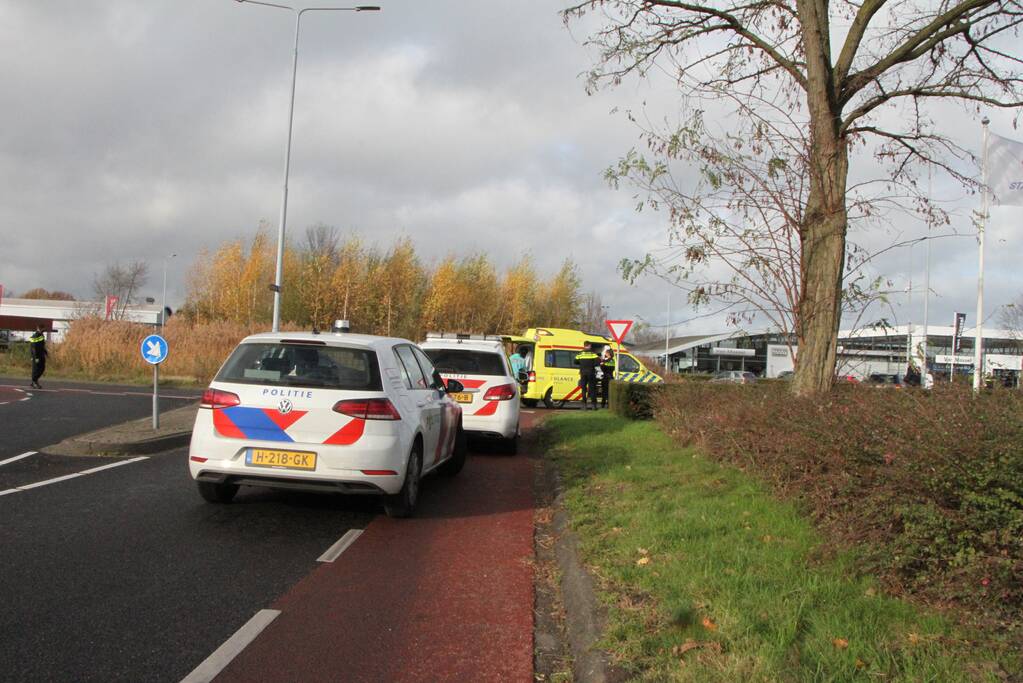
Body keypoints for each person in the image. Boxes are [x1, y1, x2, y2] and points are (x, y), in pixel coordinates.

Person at [574, 341, 600, 410]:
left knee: (583, 389)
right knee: (592, 389)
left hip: (583, 373)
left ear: (584, 345)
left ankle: (584, 405)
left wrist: (581, 363)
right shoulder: (592, 354)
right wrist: (593, 364)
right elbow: (598, 362)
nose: (591, 347)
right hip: (591, 373)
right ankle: (593, 405)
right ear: (589, 346)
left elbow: (575, 361)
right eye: (590, 346)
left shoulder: (580, 354)